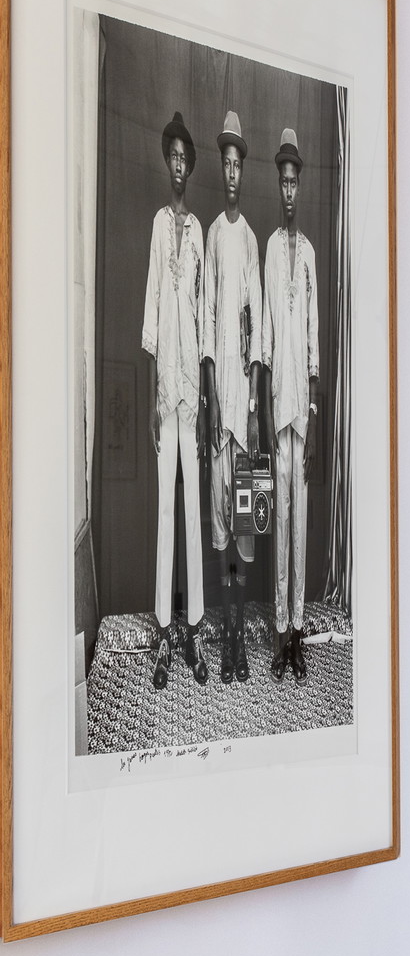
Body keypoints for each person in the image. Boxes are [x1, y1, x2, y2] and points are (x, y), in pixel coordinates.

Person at [137, 112, 210, 687]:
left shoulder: (202, 233)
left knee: (193, 509)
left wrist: (204, 400)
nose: (180, 165)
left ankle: (196, 627)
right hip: (166, 394)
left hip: (193, 395)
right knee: (166, 509)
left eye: (187, 157)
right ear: (168, 163)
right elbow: (153, 315)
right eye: (174, 157)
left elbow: (203, 322)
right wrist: (149, 404)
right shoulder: (161, 226)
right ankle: (163, 628)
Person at [201, 116, 268, 679]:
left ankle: (242, 640)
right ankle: (224, 636)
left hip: (244, 410)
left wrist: (250, 403)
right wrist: (212, 399)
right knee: (220, 521)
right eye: (223, 162)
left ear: (244, 171)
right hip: (218, 404)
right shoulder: (211, 236)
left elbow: (257, 330)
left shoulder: (249, 240)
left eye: (236, 164)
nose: (229, 172)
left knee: (246, 527)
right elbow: (208, 322)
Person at [263, 137, 323, 677]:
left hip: (300, 412)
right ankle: (280, 633)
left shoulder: (307, 254)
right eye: (280, 179)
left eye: (293, 180)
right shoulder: (269, 251)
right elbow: (266, 338)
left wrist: (314, 420)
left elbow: (312, 340)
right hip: (275, 406)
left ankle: (299, 632)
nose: (287, 189)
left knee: (299, 525)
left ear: (299, 186)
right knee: (278, 520)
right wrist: (264, 412)